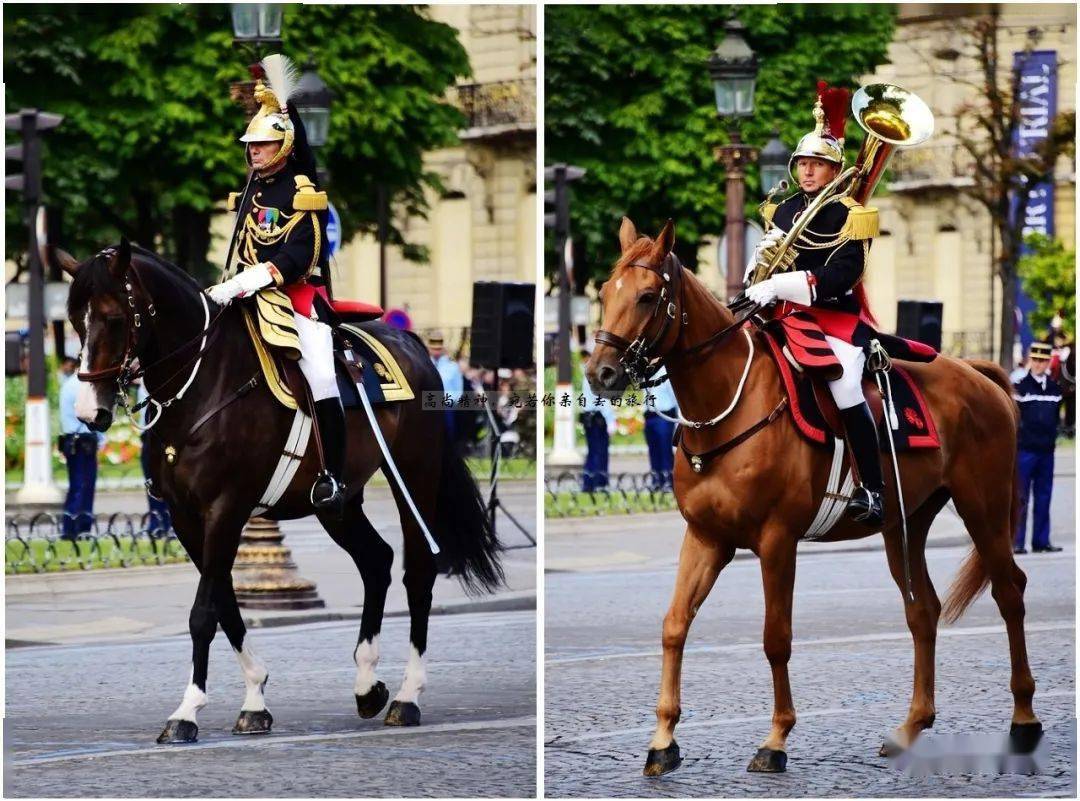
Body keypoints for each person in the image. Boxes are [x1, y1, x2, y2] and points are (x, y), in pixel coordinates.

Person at [206, 55, 345, 517]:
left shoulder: (301, 188)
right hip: (248, 294)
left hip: (295, 296)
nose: (253, 152)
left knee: (323, 376)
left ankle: (333, 474)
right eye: (251, 145)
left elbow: (301, 254)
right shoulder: (252, 190)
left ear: (282, 146)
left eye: (262, 145)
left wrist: (256, 277)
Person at [743, 83, 883, 525]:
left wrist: (782, 285)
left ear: (833, 168)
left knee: (844, 385)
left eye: (816, 164)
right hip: (783, 317)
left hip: (833, 320)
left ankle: (872, 489)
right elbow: (772, 254)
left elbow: (844, 277)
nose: (807, 171)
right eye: (802, 163)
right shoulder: (783, 211)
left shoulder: (850, 213)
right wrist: (755, 273)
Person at [1012, 341, 1063, 554]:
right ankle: (1017, 541)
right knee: (1021, 497)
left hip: (1046, 451)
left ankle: (1041, 541)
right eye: (1036, 360)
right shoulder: (1021, 387)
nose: (1039, 365)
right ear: (1030, 360)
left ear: (1048, 362)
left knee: (1044, 497)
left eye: (1043, 361)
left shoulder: (1055, 388)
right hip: (1025, 450)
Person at [58, 356, 103, 539]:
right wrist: (102, 438)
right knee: (84, 485)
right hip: (83, 440)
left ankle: (71, 527)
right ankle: (80, 528)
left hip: (72, 440)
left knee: (76, 485)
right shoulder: (82, 386)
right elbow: (92, 415)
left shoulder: (68, 384)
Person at [137, 379, 172, 531]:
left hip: (157, 437)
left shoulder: (156, 383)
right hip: (148, 437)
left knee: (163, 483)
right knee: (153, 483)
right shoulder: (144, 386)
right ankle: (157, 522)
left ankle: (163, 523)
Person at [580, 348, 615, 492]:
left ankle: (588, 483)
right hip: (599, 417)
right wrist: (611, 420)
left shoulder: (587, 373)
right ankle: (599, 483)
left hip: (588, 417)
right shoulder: (598, 374)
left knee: (592, 450)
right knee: (600, 451)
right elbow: (603, 400)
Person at [429, 331, 464, 450]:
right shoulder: (425, 365)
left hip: (447, 408)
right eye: (434, 348)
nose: (436, 351)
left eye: (438, 348)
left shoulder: (452, 367)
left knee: (447, 438)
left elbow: (458, 392)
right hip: (428, 406)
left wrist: (443, 400)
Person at [644, 370, 678, 490]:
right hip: (649, 416)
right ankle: (656, 480)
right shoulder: (647, 373)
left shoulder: (665, 373)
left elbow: (675, 398)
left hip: (664, 416)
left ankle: (668, 481)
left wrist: (678, 421)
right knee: (653, 449)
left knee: (665, 450)